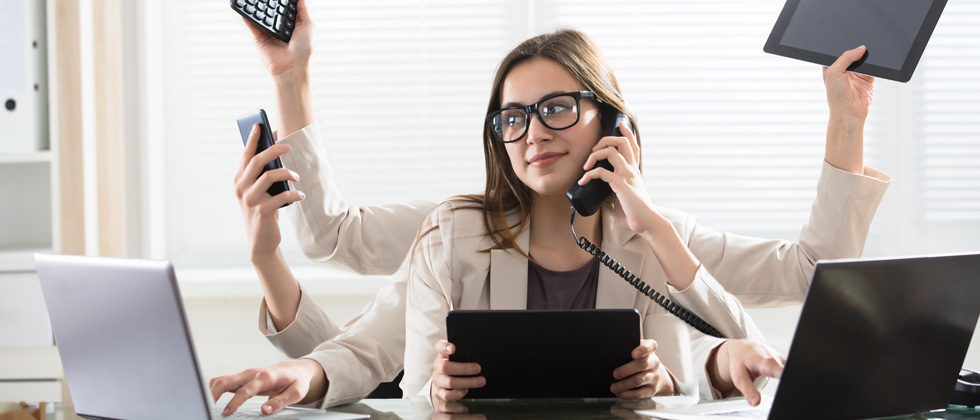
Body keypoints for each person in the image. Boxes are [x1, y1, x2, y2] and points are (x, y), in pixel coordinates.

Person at [210, 1, 890, 416]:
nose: (532, 133)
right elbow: (365, 349)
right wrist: (289, 76)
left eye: (557, 109)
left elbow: (800, 279)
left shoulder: (653, 237)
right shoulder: (453, 234)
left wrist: (847, 120)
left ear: (612, 123)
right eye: (512, 118)